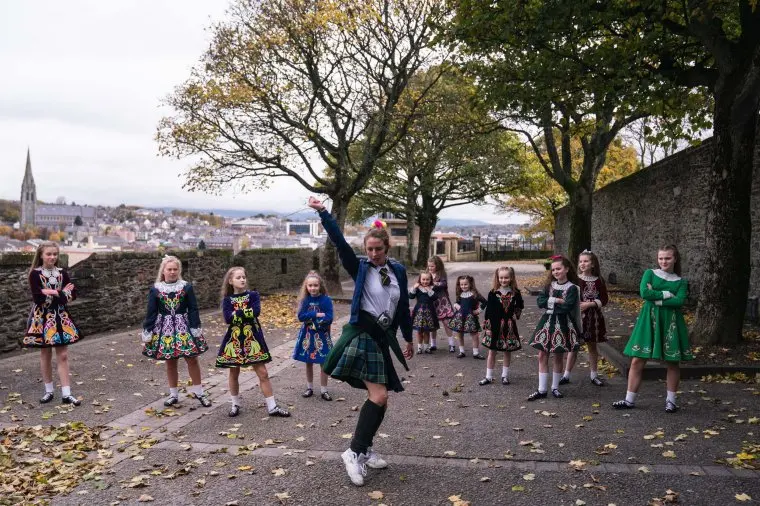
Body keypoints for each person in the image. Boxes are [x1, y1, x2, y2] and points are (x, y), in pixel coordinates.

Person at [308, 196, 414, 487]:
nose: (373, 254)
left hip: (382, 337)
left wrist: (408, 337)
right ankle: (353, 452)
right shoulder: (361, 268)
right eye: (369, 249)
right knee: (378, 396)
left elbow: (402, 307)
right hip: (362, 335)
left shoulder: (399, 272)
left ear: (387, 248)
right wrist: (324, 213)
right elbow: (341, 243)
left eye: (378, 249)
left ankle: (364, 449)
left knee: (383, 399)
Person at [613, 245, 691, 413]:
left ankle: (671, 401)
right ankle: (629, 400)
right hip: (648, 320)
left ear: (675, 259)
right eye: (661, 258)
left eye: (668, 258)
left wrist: (656, 298)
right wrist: (666, 295)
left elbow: (679, 302)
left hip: (671, 322)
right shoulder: (649, 273)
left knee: (672, 362)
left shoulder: (681, 281)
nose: (664, 261)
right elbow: (644, 293)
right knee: (637, 360)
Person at [216, 267, 290, 417]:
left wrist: (236, 312)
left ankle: (272, 407)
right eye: (238, 277)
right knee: (233, 372)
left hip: (253, 338)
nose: (242, 279)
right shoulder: (227, 300)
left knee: (263, 372)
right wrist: (244, 313)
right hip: (235, 339)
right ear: (230, 281)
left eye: (244, 277)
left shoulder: (253, 295)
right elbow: (227, 319)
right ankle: (235, 405)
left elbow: (255, 312)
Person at [142, 255, 210, 408]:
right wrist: (148, 329)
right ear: (163, 271)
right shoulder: (156, 289)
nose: (172, 272)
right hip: (164, 329)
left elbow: (193, 308)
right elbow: (151, 312)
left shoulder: (186, 287)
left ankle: (199, 392)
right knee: (170, 361)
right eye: (169, 269)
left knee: (192, 359)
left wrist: (195, 326)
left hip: (184, 327)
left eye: (175, 269)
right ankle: (173, 394)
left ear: (179, 270)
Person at [23, 241, 83, 406]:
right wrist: (61, 294)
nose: (52, 257)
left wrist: (53, 291)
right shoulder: (35, 274)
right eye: (49, 254)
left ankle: (66, 394)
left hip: (61, 317)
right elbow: (39, 299)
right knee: (45, 354)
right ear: (41, 255)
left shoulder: (63, 273)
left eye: (55, 254)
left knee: (63, 355)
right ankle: (48, 391)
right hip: (42, 318)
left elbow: (72, 295)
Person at [527, 255, 582, 401]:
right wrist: (557, 300)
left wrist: (551, 304)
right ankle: (542, 389)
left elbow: (567, 307)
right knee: (542, 355)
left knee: (558, 355)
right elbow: (540, 302)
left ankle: (555, 387)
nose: (555, 272)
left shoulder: (572, 288)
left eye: (558, 269)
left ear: (567, 269)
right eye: (553, 270)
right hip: (546, 323)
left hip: (563, 324)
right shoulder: (548, 286)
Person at [560, 250, 609, 386]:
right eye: (581, 261)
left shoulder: (599, 280)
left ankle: (594, 375)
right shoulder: (575, 280)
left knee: (592, 346)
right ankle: (566, 375)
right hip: (578, 318)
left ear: (592, 264)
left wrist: (590, 304)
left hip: (593, 319)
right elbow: (568, 297)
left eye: (586, 261)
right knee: (574, 347)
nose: (582, 264)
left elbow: (604, 299)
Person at [479, 266, 523, 386]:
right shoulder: (493, 293)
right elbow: (488, 311)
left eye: (506, 277)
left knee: (507, 351)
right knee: (492, 351)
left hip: (509, 326)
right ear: (497, 278)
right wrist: (487, 327)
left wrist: (516, 314)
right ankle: (488, 376)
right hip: (494, 326)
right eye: (501, 278)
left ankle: (505, 376)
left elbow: (520, 305)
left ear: (511, 278)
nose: (503, 280)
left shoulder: (516, 293)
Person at [293, 270, 334, 401]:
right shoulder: (305, 300)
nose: (313, 288)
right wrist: (316, 315)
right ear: (306, 286)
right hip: (308, 336)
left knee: (323, 362)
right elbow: (301, 316)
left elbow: (329, 317)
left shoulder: (326, 300)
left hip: (322, 335)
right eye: (310, 286)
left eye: (315, 285)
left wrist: (317, 322)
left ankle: (324, 390)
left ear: (320, 286)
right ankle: (309, 387)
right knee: (308, 362)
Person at [448, 275, 487, 359]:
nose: (463, 286)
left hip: (470, 318)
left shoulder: (475, 294)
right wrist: (456, 305)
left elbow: (485, 302)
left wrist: (478, 310)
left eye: (465, 284)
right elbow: (457, 302)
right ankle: (462, 351)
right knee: (460, 334)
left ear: (470, 284)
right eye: (461, 284)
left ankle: (476, 353)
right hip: (460, 317)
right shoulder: (460, 293)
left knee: (474, 335)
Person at [428, 256, 454, 352]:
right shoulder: (427, 274)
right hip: (431, 302)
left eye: (432, 266)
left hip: (442, 301)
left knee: (446, 322)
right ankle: (433, 344)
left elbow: (443, 284)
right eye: (429, 266)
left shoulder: (441, 274)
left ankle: (451, 344)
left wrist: (434, 284)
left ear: (437, 266)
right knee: (432, 324)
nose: (430, 268)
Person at [409, 271, 439, 354]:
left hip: (429, 312)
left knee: (427, 331)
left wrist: (429, 290)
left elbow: (435, 298)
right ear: (420, 279)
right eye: (423, 279)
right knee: (419, 331)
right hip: (419, 312)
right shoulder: (418, 288)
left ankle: (426, 347)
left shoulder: (432, 287)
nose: (425, 281)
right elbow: (411, 296)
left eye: (427, 279)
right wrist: (414, 288)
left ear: (430, 280)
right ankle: (419, 348)